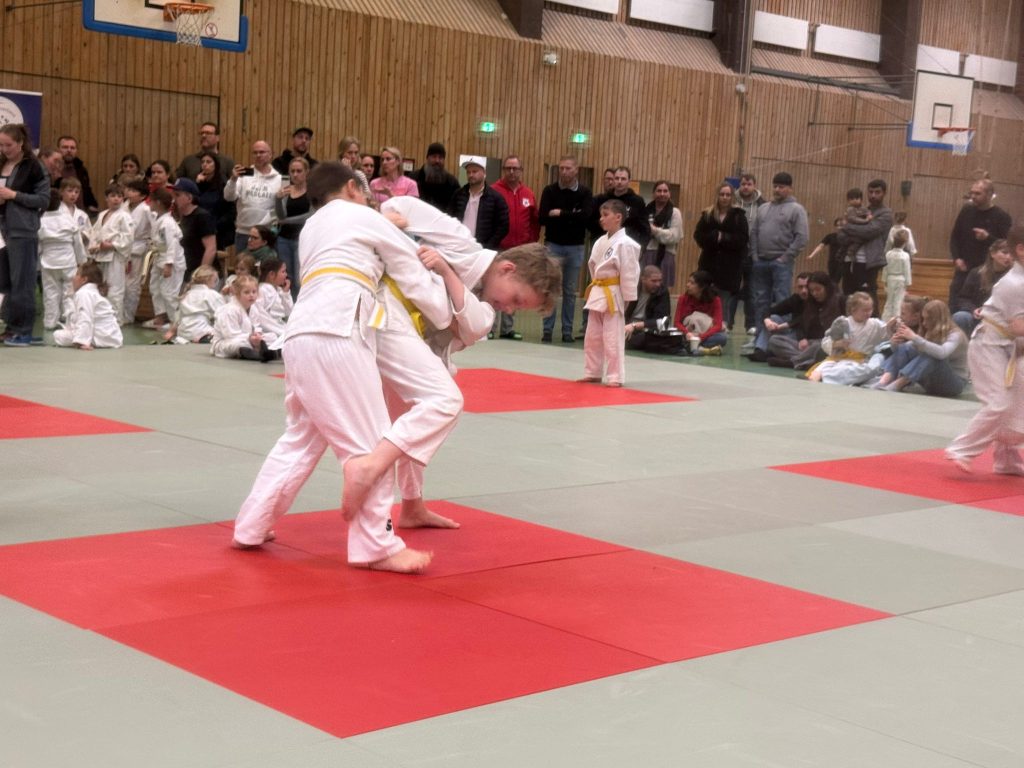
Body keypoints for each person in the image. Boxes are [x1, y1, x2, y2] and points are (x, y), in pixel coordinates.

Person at [232, 161, 456, 573]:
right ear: (353, 188)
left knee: (300, 437)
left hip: (299, 334)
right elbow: (411, 270)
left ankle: (251, 524)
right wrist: (445, 314)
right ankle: (376, 546)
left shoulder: (312, 228)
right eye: (365, 193)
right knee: (370, 444)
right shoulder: (363, 216)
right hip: (339, 330)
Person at [378, 195, 561, 528]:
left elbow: (472, 327)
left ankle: (411, 505)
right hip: (382, 322)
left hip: (415, 347)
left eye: (518, 308)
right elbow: (403, 204)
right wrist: (391, 218)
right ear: (507, 268)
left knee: (416, 420)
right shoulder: (460, 242)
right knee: (377, 423)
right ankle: (375, 495)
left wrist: (447, 274)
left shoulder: (486, 310)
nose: (509, 309)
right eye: (515, 299)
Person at [946, 223, 1024, 474]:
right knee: (998, 403)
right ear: (1021, 250)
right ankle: (961, 449)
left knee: (1017, 402)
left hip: (1009, 346)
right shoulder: (1014, 283)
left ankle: (1006, 459)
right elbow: (1019, 327)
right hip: (988, 345)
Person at [579, 199, 640, 386]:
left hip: (614, 293)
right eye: (601, 215)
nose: (601, 219)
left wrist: (627, 298)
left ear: (618, 217)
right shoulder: (600, 241)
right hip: (599, 291)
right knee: (592, 337)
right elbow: (592, 266)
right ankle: (593, 372)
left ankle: (615, 376)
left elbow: (629, 273)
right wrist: (597, 286)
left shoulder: (627, 244)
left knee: (613, 338)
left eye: (605, 215)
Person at [0, 123, 51, 346]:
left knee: (23, 282)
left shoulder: (34, 167)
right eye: (1, 145)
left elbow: (43, 200)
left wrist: (14, 195)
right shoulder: (1, 163)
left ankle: (24, 331)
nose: (4, 149)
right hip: (4, 230)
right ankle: (11, 327)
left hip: (23, 230)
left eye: (8, 145)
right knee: (7, 282)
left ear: (20, 143)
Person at [538, 155, 593, 343]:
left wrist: (561, 213)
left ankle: (567, 331)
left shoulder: (584, 193)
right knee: (551, 287)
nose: (564, 171)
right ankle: (547, 329)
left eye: (568, 168)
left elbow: (585, 217)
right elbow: (543, 217)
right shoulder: (550, 191)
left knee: (569, 291)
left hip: (575, 246)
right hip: (553, 244)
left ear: (576, 170)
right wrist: (572, 216)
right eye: (561, 168)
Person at [750, 171, 808, 335]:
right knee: (760, 301)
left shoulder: (797, 210)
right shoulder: (763, 208)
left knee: (783, 301)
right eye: (775, 186)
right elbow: (754, 233)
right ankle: (760, 336)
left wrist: (785, 257)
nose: (777, 190)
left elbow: (802, 237)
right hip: (761, 262)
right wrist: (755, 256)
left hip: (781, 263)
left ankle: (782, 337)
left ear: (790, 188)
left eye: (781, 187)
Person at [491, 153, 540, 340]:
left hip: (520, 250)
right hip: (498, 247)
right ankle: (490, 327)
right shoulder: (494, 191)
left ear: (521, 171)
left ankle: (507, 328)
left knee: (514, 288)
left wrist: (531, 242)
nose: (512, 172)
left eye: (515, 168)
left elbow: (534, 222)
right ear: (503, 170)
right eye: (508, 168)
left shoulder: (528, 194)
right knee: (495, 287)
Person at [874, 300, 967, 397]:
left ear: (937, 320)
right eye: (923, 319)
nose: (924, 323)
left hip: (953, 384)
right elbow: (907, 349)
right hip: (930, 381)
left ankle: (899, 384)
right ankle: (885, 380)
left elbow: (942, 353)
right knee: (905, 347)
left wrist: (914, 337)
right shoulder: (929, 330)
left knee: (932, 355)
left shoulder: (956, 334)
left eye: (928, 319)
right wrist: (894, 342)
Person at [948, 178, 1011, 307]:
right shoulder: (966, 210)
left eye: (977, 193)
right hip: (964, 266)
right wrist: (957, 258)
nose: (973, 196)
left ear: (989, 195)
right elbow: (955, 236)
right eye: (972, 192)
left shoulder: (1002, 216)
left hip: (986, 270)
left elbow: (1006, 245)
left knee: (978, 304)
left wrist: (988, 238)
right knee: (955, 300)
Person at [38, 178, 89, 330]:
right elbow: (77, 243)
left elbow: (38, 245)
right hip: (68, 261)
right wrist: (82, 261)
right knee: (69, 292)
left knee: (50, 292)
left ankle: (50, 322)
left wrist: (38, 260)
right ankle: (70, 321)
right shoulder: (68, 220)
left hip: (48, 261)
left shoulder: (40, 221)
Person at [807, 292, 889, 385]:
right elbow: (826, 340)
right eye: (865, 310)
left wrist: (892, 326)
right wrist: (836, 344)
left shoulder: (875, 324)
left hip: (860, 362)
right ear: (853, 310)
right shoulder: (843, 323)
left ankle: (825, 377)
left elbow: (887, 331)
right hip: (839, 358)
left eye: (870, 309)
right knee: (824, 366)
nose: (868, 313)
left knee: (848, 370)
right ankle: (818, 377)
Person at [766, 272, 843, 369]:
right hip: (808, 343)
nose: (815, 293)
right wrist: (802, 338)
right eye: (812, 290)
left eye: (818, 289)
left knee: (820, 346)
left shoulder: (839, 301)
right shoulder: (810, 303)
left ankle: (793, 362)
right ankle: (808, 361)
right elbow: (802, 322)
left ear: (826, 287)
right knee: (774, 341)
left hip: (827, 343)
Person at [694, 182, 749, 313]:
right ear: (717, 196)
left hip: (729, 268)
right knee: (705, 303)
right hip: (708, 265)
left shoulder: (739, 216)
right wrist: (713, 237)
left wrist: (724, 237)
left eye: (728, 195)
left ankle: (722, 324)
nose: (725, 197)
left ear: (732, 197)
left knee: (723, 306)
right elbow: (698, 236)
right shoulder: (708, 214)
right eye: (722, 194)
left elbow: (743, 240)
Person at [86, 183, 133, 324]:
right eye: (113, 196)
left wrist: (112, 245)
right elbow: (94, 233)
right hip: (101, 256)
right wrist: (93, 247)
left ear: (123, 199)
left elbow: (128, 237)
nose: (116, 199)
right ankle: (104, 318)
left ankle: (116, 320)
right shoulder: (102, 214)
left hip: (115, 256)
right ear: (106, 198)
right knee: (102, 287)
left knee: (115, 289)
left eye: (119, 196)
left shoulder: (125, 216)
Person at [224, 140, 282, 253]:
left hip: (266, 234)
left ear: (270, 154)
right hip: (244, 233)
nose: (258, 155)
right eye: (255, 153)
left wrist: (266, 222)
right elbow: (229, 197)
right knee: (242, 264)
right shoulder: (243, 175)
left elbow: (279, 209)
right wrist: (233, 179)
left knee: (267, 264)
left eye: (262, 152)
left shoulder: (279, 179)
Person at [53, 260, 123, 349]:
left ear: (84, 280)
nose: (73, 278)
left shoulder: (84, 293)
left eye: (77, 274)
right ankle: (85, 338)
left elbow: (85, 317)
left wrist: (82, 342)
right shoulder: (90, 292)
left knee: (58, 335)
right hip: (107, 336)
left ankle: (85, 339)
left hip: (102, 337)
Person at [952, 239, 1014, 336]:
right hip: (978, 315)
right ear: (992, 253)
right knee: (960, 316)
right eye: (1004, 253)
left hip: (1002, 318)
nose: (1008, 257)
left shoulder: (1015, 276)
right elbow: (963, 298)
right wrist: (973, 310)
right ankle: (964, 345)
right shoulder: (976, 273)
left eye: (1011, 254)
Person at [747, 271, 811, 362]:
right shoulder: (795, 299)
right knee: (773, 318)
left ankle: (785, 355)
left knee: (775, 340)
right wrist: (767, 320)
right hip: (794, 333)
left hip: (807, 337)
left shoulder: (815, 301)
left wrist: (784, 325)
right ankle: (760, 350)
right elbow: (769, 310)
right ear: (796, 287)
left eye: (806, 287)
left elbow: (803, 319)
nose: (803, 291)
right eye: (800, 287)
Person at [448, 156, 508, 251]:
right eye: (468, 172)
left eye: (474, 171)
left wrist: (488, 246)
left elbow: (503, 226)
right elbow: (450, 218)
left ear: (484, 173)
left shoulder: (496, 198)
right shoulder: (458, 195)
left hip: (482, 249)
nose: (471, 175)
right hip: (459, 245)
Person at [146, 188, 185, 330]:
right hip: (159, 258)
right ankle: (160, 318)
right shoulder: (159, 218)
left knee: (168, 292)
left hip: (171, 261)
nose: (149, 204)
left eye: (151, 201)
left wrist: (169, 264)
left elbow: (172, 244)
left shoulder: (167, 223)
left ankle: (176, 323)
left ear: (158, 202)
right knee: (155, 288)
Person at [211, 274, 274, 361]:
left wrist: (257, 335)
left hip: (249, 339)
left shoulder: (253, 309)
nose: (251, 295)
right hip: (226, 342)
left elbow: (256, 326)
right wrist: (250, 338)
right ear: (237, 293)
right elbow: (230, 335)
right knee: (238, 344)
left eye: (254, 292)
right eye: (246, 292)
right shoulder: (229, 310)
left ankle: (268, 352)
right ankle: (256, 354)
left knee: (272, 337)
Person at [732, 173, 765, 334]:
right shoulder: (732, 202)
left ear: (754, 185)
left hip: (753, 254)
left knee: (752, 290)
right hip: (734, 253)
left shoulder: (762, 205)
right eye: (743, 184)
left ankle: (750, 324)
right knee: (732, 288)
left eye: (749, 184)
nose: (745, 187)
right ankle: (728, 323)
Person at [274, 157, 310, 299]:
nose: (295, 174)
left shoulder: (311, 192)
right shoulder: (287, 191)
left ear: (306, 172)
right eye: (292, 171)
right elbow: (281, 215)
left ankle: (300, 306)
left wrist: (286, 221)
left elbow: (309, 216)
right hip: (284, 239)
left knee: (299, 278)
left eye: (299, 171)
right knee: (287, 276)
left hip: (302, 239)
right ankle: (288, 306)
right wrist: (277, 200)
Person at [591, 166, 650, 251]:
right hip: (604, 245)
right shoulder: (602, 199)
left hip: (627, 246)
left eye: (623, 179)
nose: (619, 182)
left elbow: (645, 229)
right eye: (617, 178)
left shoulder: (637, 201)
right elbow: (592, 223)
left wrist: (641, 248)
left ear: (629, 181)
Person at [172, 178, 218, 283]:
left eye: (177, 195)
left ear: (189, 198)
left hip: (201, 275)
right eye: (173, 195)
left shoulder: (202, 216)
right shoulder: (180, 217)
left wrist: (201, 275)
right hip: (184, 272)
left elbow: (211, 248)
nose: (174, 199)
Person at [624, 265, 678, 353]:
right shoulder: (632, 289)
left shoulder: (662, 292)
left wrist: (634, 325)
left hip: (647, 330)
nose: (658, 284)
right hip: (626, 326)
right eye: (654, 281)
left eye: (660, 280)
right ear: (643, 279)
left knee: (642, 340)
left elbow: (663, 321)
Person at [122, 178, 154, 325]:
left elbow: (155, 228)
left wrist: (152, 244)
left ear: (142, 196)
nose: (130, 193)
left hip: (138, 248)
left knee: (132, 285)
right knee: (120, 284)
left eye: (134, 191)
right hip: (121, 248)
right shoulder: (123, 206)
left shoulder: (146, 209)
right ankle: (118, 313)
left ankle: (128, 316)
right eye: (129, 189)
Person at [674, 270, 727, 356]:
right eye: (688, 282)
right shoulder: (683, 299)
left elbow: (718, 325)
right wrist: (687, 333)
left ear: (702, 287)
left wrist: (700, 338)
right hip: (687, 333)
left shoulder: (715, 300)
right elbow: (677, 323)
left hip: (704, 334)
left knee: (722, 338)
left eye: (692, 283)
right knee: (674, 337)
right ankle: (700, 349)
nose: (687, 285)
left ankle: (690, 348)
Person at [642, 180, 682, 288]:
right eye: (659, 191)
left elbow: (674, 236)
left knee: (661, 290)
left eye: (665, 191)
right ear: (653, 193)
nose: (662, 194)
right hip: (647, 254)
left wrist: (654, 230)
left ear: (669, 193)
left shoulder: (675, 213)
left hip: (665, 256)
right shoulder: (645, 211)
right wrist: (662, 232)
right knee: (644, 289)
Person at [170, 266, 223, 343]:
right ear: (209, 279)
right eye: (215, 281)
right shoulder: (211, 294)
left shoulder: (187, 294)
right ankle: (202, 338)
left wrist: (172, 331)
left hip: (183, 332)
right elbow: (223, 315)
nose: (215, 284)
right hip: (201, 331)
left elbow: (177, 318)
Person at [194, 152, 233, 250]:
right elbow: (193, 203)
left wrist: (215, 225)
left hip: (217, 230)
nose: (205, 164)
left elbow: (231, 211)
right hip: (199, 228)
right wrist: (197, 184)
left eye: (208, 162)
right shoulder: (199, 183)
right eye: (203, 162)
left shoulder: (223, 184)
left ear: (216, 165)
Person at [251, 256, 292, 347]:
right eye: (283, 271)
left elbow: (288, 312)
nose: (286, 275)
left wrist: (285, 293)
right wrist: (280, 330)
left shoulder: (279, 290)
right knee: (273, 338)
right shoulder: (262, 290)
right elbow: (259, 315)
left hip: (280, 326)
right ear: (272, 274)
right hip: (269, 329)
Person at [57, 135, 99, 214]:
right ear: (58, 149)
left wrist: (91, 204)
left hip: (79, 213)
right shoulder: (53, 169)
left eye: (72, 148)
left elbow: (86, 189)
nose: (69, 150)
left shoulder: (81, 169)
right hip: (58, 213)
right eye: (65, 147)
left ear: (76, 150)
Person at [414, 142, 460, 211]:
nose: (437, 161)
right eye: (434, 156)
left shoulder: (452, 182)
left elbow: (457, 206)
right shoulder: (414, 178)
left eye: (440, 157)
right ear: (427, 158)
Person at [881, 230, 912, 322]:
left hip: (890, 279)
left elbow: (885, 268)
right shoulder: (905, 256)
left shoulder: (888, 254)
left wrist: (884, 280)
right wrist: (908, 283)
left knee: (889, 301)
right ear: (905, 243)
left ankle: (885, 321)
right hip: (900, 279)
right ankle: (897, 321)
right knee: (898, 301)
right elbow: (907, 270)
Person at [807, 216, 846, 287]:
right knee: (832, 280)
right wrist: (811, 255)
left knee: (839, 280)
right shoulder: (831, 236)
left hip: (843, 261)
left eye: (841, 225)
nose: (839, 227)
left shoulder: (848, 237)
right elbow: (820, 246)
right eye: (837, 225)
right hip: (832, 261)